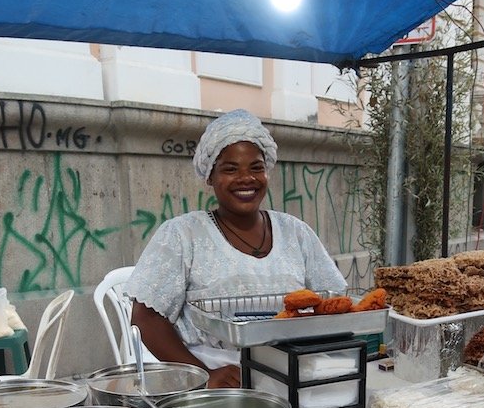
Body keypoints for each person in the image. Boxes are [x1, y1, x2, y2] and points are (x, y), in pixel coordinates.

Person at [125, 109, 346, 387]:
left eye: (256, 167)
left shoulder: (296, 232)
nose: (246, 179)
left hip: (290, 373)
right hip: (217, 383)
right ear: (210, 176)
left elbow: (332, 302)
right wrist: (205, 375)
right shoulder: (182, 235)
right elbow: (146, 319)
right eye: (230, 169)